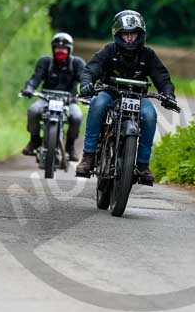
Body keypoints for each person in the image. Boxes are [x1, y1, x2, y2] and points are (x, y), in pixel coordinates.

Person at [76, 10, 177, 185]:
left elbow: (162, 78)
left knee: (150, 115)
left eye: (133, 34)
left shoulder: (149, 54)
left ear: (141, 34)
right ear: (118, 34)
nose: (130, 38)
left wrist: (168, 95)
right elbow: (91, 69)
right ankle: (88, 156)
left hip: (137, 96)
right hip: (110, 92)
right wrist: (86, 83)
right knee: (98, 104)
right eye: (125, 34)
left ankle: (143, 165)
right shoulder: (109, 50)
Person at [20, 32, 85, 161]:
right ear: (53, 49)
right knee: (33, 111)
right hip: (45, 97)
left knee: (77, 117)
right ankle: (34, 140)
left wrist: (86, 93)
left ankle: (70, 146)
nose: (60, 51)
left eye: (63, 49)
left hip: (69, 99)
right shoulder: (45, 62)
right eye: (57, 48)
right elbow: (35, 78)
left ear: (69, 49)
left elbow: (84, 81)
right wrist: (29, 88)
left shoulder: (77, 63)